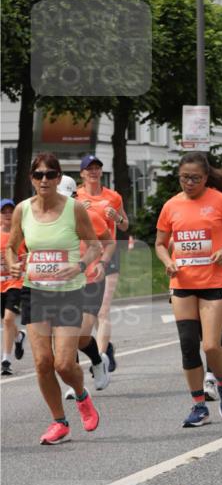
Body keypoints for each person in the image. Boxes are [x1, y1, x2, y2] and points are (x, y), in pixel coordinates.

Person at [5, 154, 103, 445]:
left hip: (69, 292)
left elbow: (95, 247)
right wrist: (12, 263)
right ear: (31, 179)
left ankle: (82, 396)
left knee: (63, 364)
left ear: (59, 178)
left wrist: (80, 266)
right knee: (42, 362)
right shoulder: (23, 209)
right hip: (35, 291)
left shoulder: (74, 209)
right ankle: (60, 422)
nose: (44, 180)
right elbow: (11, 246)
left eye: (50, 174)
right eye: (39, 175)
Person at [156, 152, 222, 426]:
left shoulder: (220, 201)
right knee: (188, 345)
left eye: (195, 178)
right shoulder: (171, 206)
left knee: (211, 345)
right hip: (182, 283)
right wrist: (168, 261)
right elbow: (160, 244)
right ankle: (199, 406)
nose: (189, 183)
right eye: (184, 178)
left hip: (214, 281)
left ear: (206, 177)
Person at [59, 176, 115, 398]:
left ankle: (98, 361)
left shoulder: (89, 216)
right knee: (67, 335)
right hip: (62, 285)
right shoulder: (47, 221)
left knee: (81, 334)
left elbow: (109, 243)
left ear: (75, 196)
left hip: (91, 281)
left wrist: (102, 263)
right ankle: (75, 384)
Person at [75, 154, 128, 373]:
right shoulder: (75, 196)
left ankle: (101, 359)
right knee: (90, 313)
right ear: (82, 173)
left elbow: (124, 225)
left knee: (103, 310)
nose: (93, 172)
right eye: (89, 169)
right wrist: (77, 208)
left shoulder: (113, 196)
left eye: (97, 168)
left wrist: (116, 218)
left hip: (108, 254)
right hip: (83, 257)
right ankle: (105, 347)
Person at [1, 199, 25, 375]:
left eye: (11, 211)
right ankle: (19, 336)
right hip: (0, 283)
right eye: (4, 212)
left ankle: (6, 360)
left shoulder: (23, 234)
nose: (8, 215)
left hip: (16, 282)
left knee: (9, 319)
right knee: (6, 320)